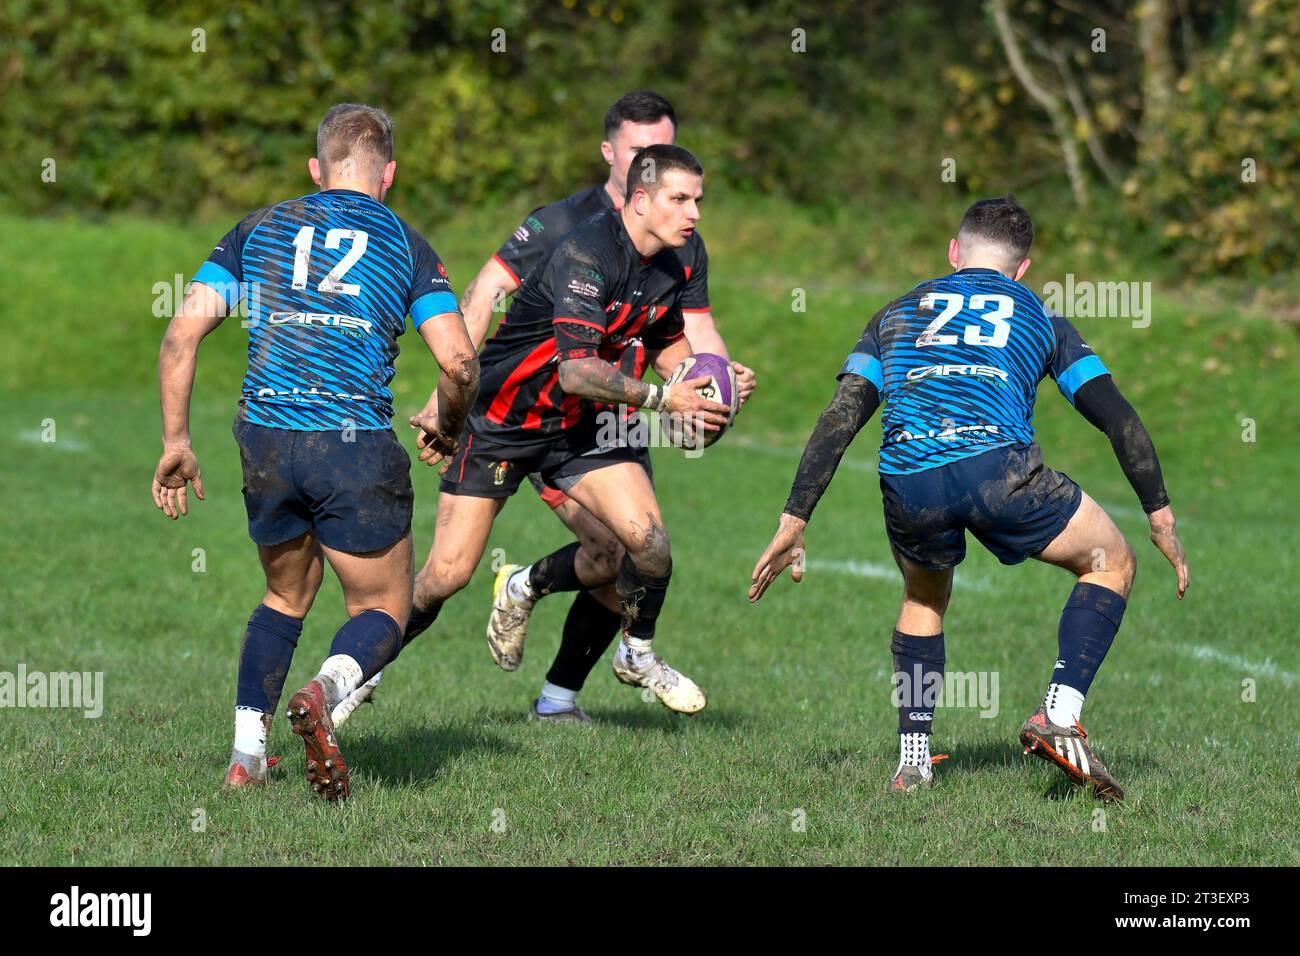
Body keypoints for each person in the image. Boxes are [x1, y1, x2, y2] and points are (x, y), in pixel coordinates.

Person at [331, 91, 755, 727]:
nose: (695, 211)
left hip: (587, 425)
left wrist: (713, 380)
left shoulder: (683, 252)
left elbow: (670, 335)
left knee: (641, 547)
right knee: (446, 575)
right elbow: (505, 311)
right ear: (627, 172)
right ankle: (355, 678)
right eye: (680, 196)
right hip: (508, 419)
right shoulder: (574, 238)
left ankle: (615, 655)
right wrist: (446, 401)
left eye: (698, 198)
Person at [749, 195, 1189, 801]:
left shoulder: (895, 314)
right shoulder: (1041, 317)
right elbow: (1117, 419)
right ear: (1023, 268)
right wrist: (1158, 514)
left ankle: (912, 762)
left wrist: (793, 518)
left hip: (910, 480)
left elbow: (841, 417)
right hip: (997, 472)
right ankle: (1058, 713)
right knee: (1111, 560)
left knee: (924, 598)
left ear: (954, 252)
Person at [152, 103, 478, 801]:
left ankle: (245, 759)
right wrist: (449, 425)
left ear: (316, 168)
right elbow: (459, 364)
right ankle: (324, 692)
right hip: (352, 442)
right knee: (383, 612)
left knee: (284, 595)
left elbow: (181, 337)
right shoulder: (406, 243)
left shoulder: (259, 228)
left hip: (264, 438)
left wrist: (177, 441)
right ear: (389, 173)